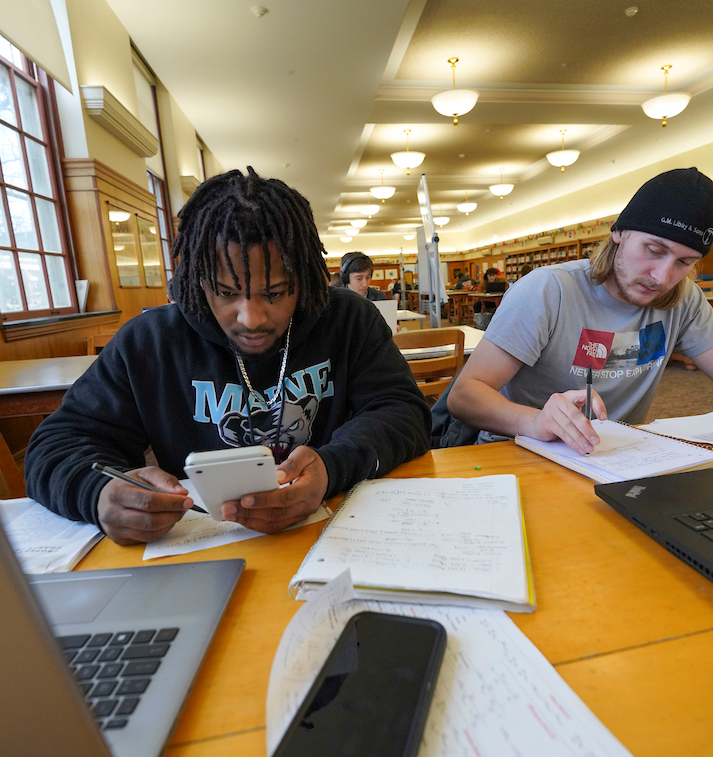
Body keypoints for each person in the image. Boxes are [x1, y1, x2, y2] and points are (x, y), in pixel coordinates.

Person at [25, 168, 431, 543]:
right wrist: (96, 493)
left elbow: (403, 412)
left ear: (305, 279)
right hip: (202, 549)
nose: (251, 318)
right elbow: (56, 444)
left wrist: (332, 467)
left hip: (340, 536)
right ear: (197, 281)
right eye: (225, 292)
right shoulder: (149, 342)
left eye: (275, 293)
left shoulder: (348, 320)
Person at [444, 167, 713, 455]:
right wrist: (535, 421)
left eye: (685, 261)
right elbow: (466, 396)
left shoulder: (685, 298)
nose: (663, 276)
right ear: (619, 232)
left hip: (615, 457)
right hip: (517, 450)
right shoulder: (549, 289)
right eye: (654, 250)